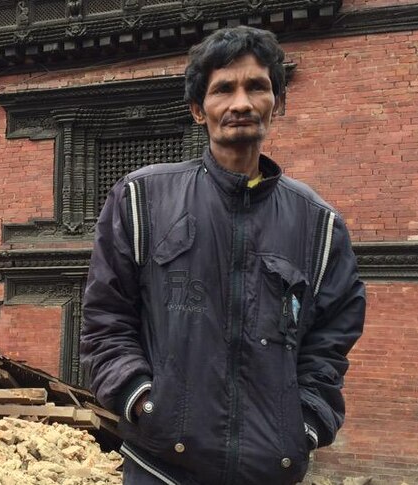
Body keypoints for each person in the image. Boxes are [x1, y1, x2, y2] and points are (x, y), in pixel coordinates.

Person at [80, 26, 365, 485]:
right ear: (198, 109)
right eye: (223, 89)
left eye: (257, 86)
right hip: (160, 467)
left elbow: (331, 339)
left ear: (277, 102)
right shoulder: (142, 199)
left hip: (268, 470)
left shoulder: (318, 224)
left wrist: (307, 422)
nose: (241, 103)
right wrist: (142, 398)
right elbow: (105, 321)